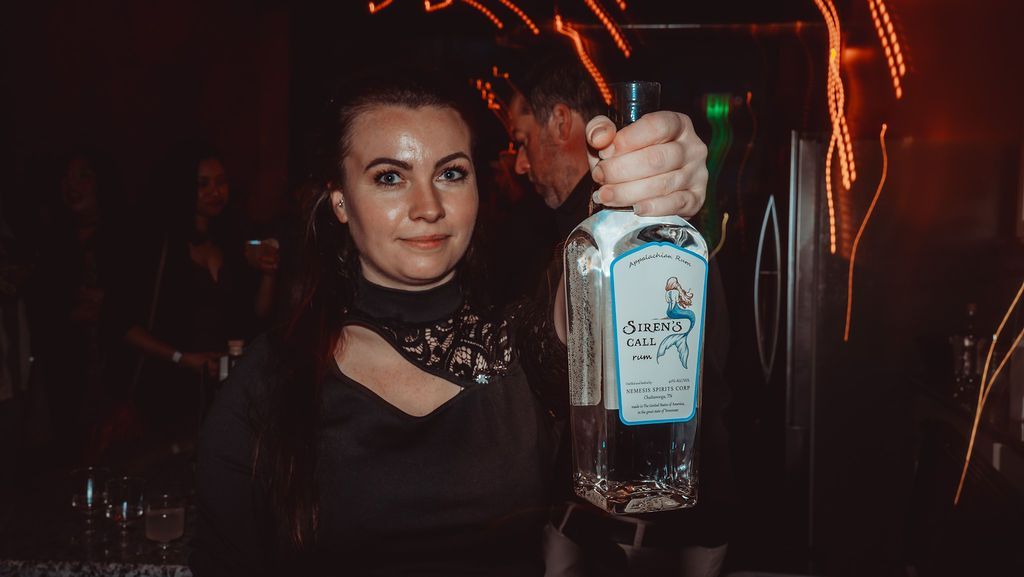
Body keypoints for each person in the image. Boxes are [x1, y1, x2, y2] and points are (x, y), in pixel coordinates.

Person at [190, 72, 709, 576]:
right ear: (341, 201)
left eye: (451, 173)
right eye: (390, 177)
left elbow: (587, 303)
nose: (429, 207)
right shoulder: (272, 378)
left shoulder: (518, 350)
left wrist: (646, 193)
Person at [505, 45, 734, 577]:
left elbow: (707, 363)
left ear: (560, 120)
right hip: (591, 517)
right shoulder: (563, 230)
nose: (518, 163)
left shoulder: (658, 215)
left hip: (660, 527)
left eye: (521, 140)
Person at [101, 143, 279, 449]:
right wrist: (182, 358)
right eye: (203, 184)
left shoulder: (231, 241)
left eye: (221, 182)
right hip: (163, 388)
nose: (215, 192)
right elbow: (120, 322)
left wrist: (269, 273)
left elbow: (257, 316)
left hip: (217, 390)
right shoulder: (157, 244)